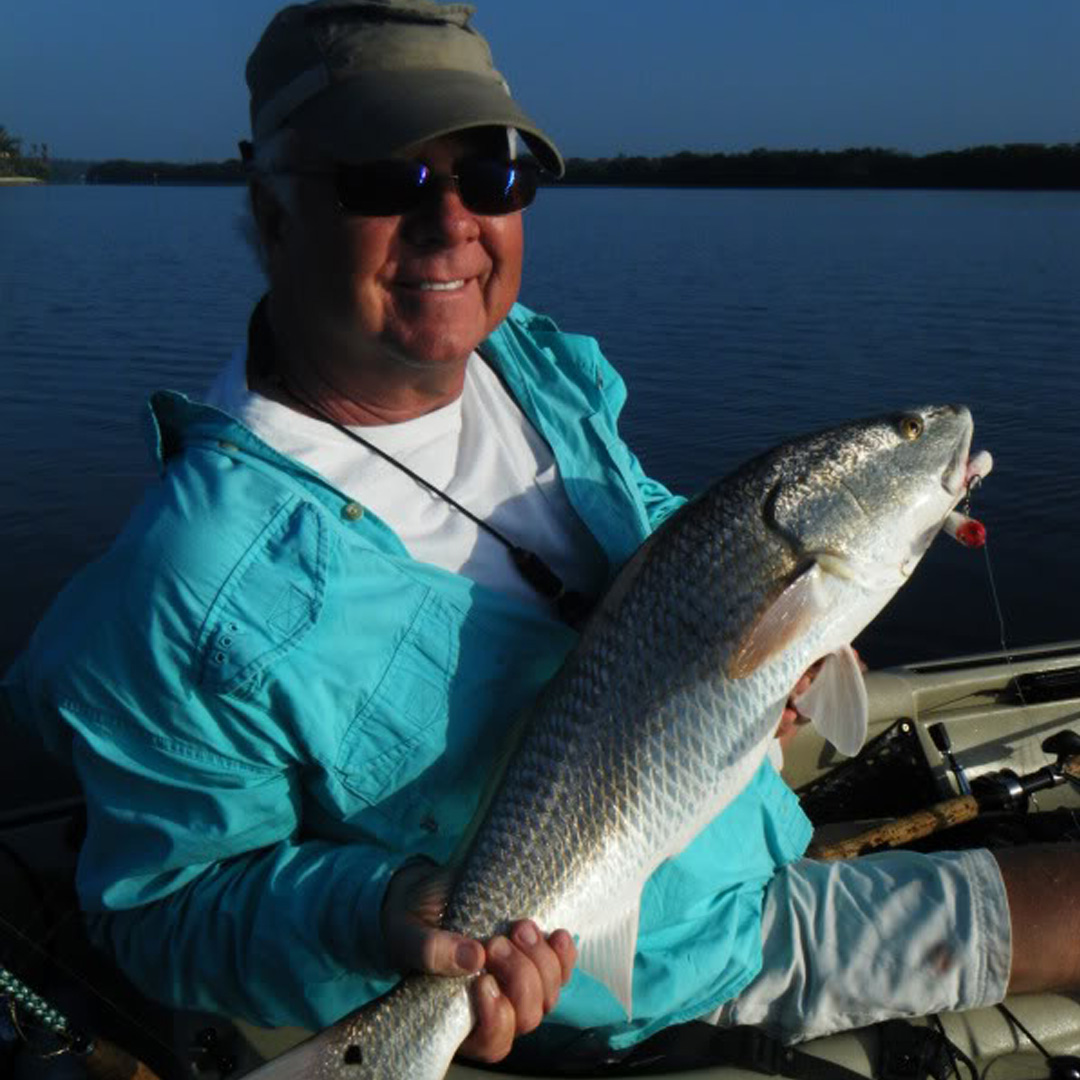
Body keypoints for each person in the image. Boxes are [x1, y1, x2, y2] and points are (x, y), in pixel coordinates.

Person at [4, 0, 1079, 1070]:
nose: (452, 223)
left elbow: (666, 542)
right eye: (385, 179)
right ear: (272, 208)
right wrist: (380, 914)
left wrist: (778, 631)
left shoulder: (527, 364)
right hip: (661, 977)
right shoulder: (182, 588)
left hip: (742, 837)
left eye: (494, 173)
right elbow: (160, 911)